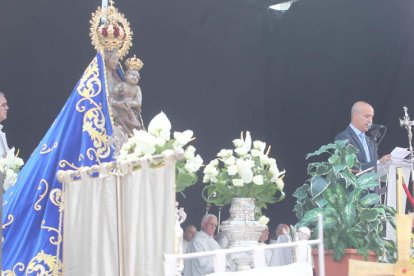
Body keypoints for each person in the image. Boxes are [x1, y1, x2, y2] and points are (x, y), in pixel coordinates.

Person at [335, 101, 391, 171]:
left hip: (372, 181)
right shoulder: (342, 138)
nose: (370, 121)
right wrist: (378, 163)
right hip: (356, 181)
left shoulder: (371, 141)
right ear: (355, 116)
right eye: (367, 116)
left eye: (372, 117)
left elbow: (376, 168)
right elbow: (349, 166)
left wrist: (385, 164)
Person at [111, 55, 145, 136]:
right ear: (126, 75)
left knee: (135, 128)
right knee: (120, 128)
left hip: (131, 114)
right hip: (121, 113)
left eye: (137, 77)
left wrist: (130, 103)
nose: (135, 77)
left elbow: (138, 103)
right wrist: (120, 102)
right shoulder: (121, 85)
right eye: (133, 75)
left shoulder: (137, 88)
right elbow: (113, 97)